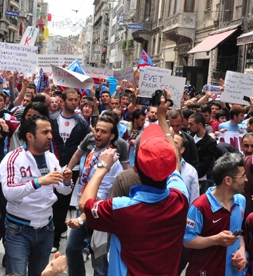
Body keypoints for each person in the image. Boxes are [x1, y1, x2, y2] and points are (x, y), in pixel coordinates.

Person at [80, 91, 190, 275]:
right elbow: (175, 162)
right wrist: (163, 117)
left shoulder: (122, 208)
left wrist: (102, 167)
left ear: (136, 169)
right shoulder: (179, 199)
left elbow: (85, 204)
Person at [0, 115, 73, 276]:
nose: (50, 136)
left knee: (41, 273)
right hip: (18, 229)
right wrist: (38, 182)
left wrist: (67, 181)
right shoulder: (13, 159)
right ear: (30, 136)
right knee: (16, 274)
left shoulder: (51, 158)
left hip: (46, 228)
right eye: (45, 132)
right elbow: (9, 192)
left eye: (50, 132)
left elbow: (64, 191)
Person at [65, 115, 123, 276]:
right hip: (84, 207)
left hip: (99, 214)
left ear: (111, 136)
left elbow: (101, 194)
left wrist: (81, 218)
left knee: (98, 259)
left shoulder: (112, 160)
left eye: (103, 132)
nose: (98, 134)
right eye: (97, 130)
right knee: (71, 248)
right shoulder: (94, 151)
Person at [184, 152, 248, 276]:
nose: (246, 179)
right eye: (243, 175)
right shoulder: (200, 206)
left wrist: (242, 250)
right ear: (228, 180)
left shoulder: (241, 201)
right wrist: (215, 240)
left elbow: (239, 233)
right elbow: (187, 240)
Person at [49, 89, 89, 252]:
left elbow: (89, 141)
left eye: (76, 100)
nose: (74, 102)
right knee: (50, 200)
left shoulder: (82, 123)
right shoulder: (52, 119)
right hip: (52, 164)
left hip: (72, 168)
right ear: (63, 101)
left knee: (62, 204)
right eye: (70, 99)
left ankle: (55, 240)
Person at [189, 113, 220, 194]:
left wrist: (193, 172)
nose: (189, 127)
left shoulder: (210, 142)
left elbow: (206, 163)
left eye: (191, 124)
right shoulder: (189, 138)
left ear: (200, 124)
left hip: (202, 180)